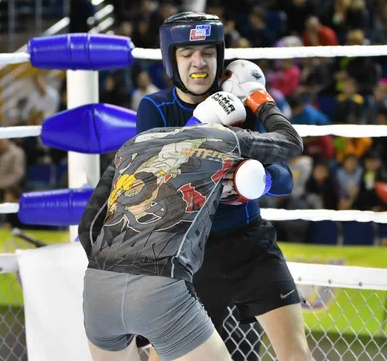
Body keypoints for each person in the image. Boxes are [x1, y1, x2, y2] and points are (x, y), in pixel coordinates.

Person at [136, 11, 312, 361]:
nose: (198, 63)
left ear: (221, 57)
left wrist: (257, 179)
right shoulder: (155, 108)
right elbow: (154, 180)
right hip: (185, 253)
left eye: (207, 53)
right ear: (172, 59)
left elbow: (286, 178)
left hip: (250, 243)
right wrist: (200, 120)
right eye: (187, 54)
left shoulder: (242, 103)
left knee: (297, 354)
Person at [79, 89, 304, 361]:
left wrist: (116, 279)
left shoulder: (135, 142)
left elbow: (87, 226)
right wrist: (262, 102)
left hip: (98, 287)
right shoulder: (219, 138)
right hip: (158, 285)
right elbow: (290, 142)